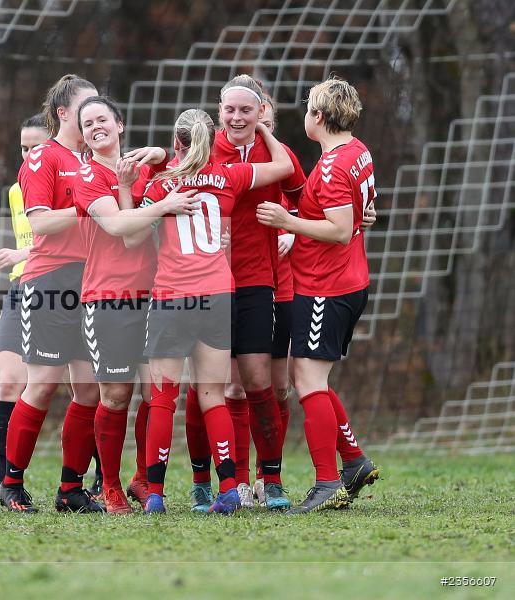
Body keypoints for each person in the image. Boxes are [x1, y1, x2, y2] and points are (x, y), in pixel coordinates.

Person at [140, 108, 294, 514]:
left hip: (173, 296)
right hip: (218, 296)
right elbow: (282, 166)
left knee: (163, 397)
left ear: (177, 143)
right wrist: (262, 128)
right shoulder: (228, 177)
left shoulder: (162, 183)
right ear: (213, 140)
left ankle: (155, 494)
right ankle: (228, 487)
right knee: (213, 395)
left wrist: (147, 172)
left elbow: (131, 229)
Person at [256, 76, 381, 513]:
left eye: (309, 107)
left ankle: (328, 483)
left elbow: (341, 229)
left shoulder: (330, 167)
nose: (305, 113)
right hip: (345, 282)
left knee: (307, 381)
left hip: (328, 286)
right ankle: (353, 462)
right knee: (313, 379)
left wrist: (286, 222)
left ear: (320, 117)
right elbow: (359, 210)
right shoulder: (356, 149)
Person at [73, 95, 197, 513]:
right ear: (84, 134)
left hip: (157, 295)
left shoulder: (145, 170)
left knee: (154, 393)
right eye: (87, 123)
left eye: (102, 119)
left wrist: (161, 153)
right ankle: (108, 487)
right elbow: (122, 229)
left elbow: (190, 158)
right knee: (115, 396)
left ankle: (143, 480)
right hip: (108, 297)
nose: (95, 127)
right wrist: (161, 206)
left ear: (120, 124)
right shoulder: (85, 176)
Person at [0, 74, 104, 513]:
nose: (96, 113)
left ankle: (70, 489)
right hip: (49, 281)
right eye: (87, 105)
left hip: (93, 281)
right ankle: (10, 482)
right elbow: (39, 223)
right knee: (41, 382)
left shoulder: (96, 159)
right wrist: (89, 206)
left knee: (91, 390)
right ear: (63, 112)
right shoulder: (43, 157)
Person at [206, 75, 307, 510]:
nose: (236, 117)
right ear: (219, 112)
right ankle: (235, 483)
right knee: (222, 390)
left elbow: (304, 199)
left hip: (258, 279)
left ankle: (273, 480)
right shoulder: (205, 148)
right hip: (209, 280)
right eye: (229, 109)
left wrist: (291, 229)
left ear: (260, 111)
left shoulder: (277, 153)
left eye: (246, 110)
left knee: (262, 383)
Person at [0, 114, 48, 500]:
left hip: (62, 288)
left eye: (36, 147)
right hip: (21, 287)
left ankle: (100, 480)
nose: (29, 154)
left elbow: (75, 238)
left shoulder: (65, 179)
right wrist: (21, 259)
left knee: (87, 387)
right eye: (23, 147)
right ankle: (1, 478)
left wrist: (23, 252)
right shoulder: (17, 189)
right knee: (10, 380)